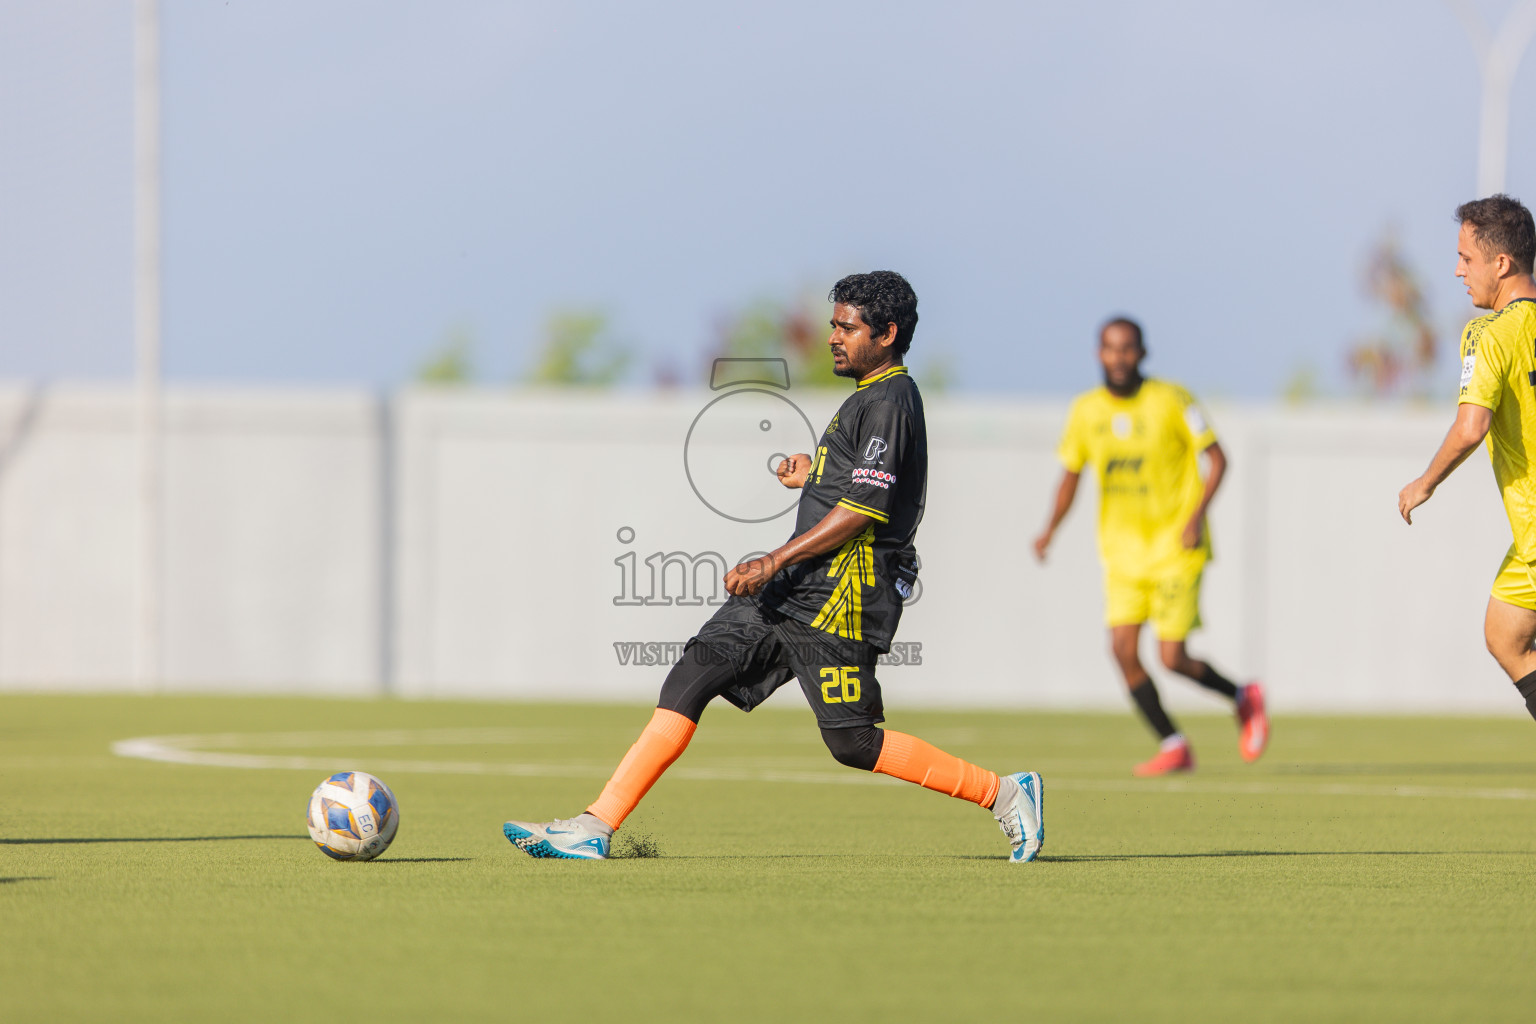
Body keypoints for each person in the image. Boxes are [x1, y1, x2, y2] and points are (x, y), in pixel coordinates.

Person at [503, 271, 1045, 862]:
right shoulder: (868, 396)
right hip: (793, 589)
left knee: (853, 742)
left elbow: (865, 509)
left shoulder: (891, 399)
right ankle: (594, 826)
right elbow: (853, 486)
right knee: (690, 676)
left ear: (887, 333)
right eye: (833, 324)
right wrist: (811, 475)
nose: (834, 336)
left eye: (848, 326)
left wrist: (772, 559)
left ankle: (1004, 793)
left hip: (841, 594)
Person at [1033, 318, 1267, 776]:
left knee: (1171, 657)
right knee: (1121, 650)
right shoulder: (1085, 411)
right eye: (1109, 349)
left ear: (1142, 353)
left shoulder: (1172, 400)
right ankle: (1174, 744)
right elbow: (1070, 477)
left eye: (1127, 349)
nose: (1118, 358)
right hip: (1122, 554)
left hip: (1175, 548)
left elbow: (1217, 458)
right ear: (1098, 353)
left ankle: (1244, 697)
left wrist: (1196, 516)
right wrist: (1049, 531)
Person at [1399, 194, 1536, 718]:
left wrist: (1425, 482)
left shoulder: (1489, 334)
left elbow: (1471, 426)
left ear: (1501, 264)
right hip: (1527, 543)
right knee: (1504, 634)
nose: (1458, 271)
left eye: (1466, 259)